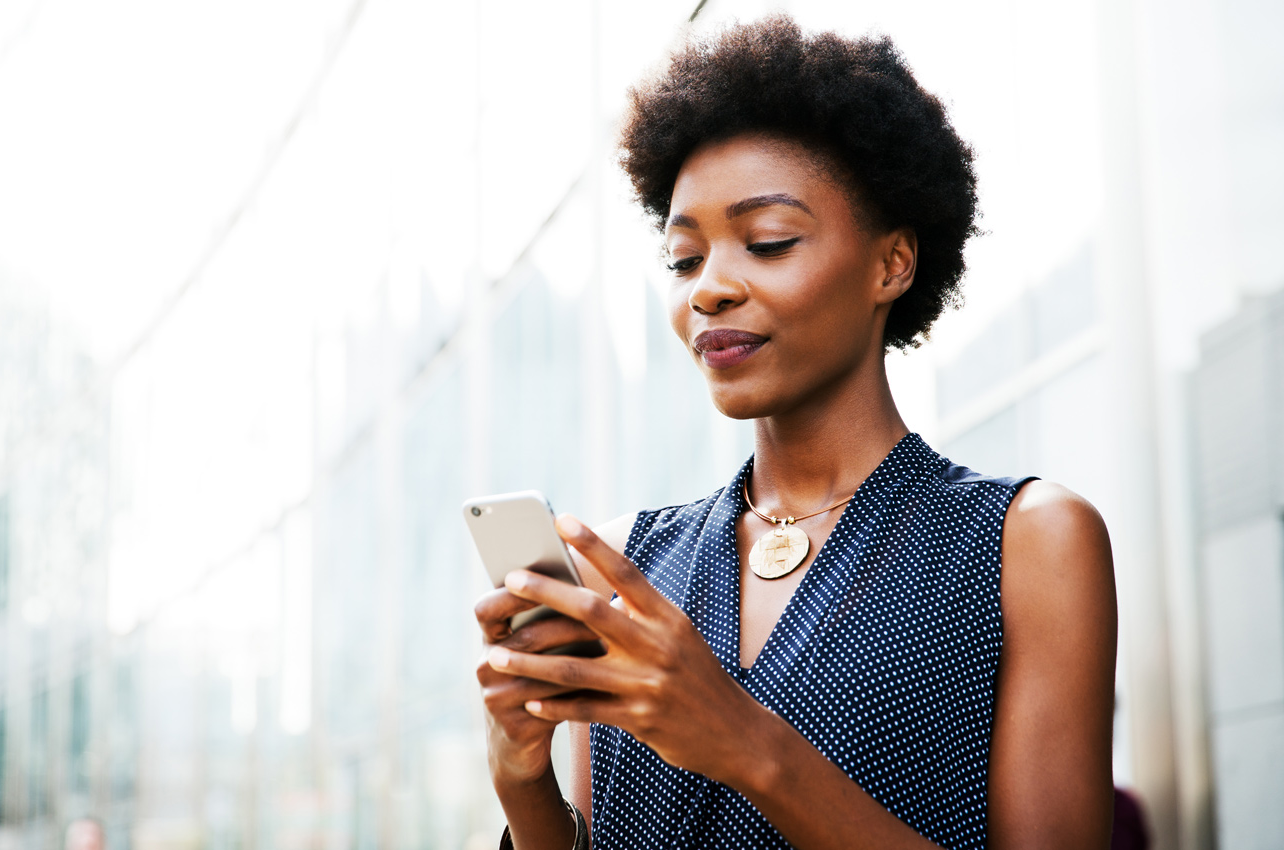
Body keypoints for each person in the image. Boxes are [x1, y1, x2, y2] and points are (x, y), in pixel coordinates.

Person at [473, 16, 1117, 850]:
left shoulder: (1023, 543)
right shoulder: (628, 568)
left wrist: (747, 746)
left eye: (767, 242)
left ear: (892, 264)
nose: (709, 289)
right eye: (683, 259)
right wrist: (523, 784)